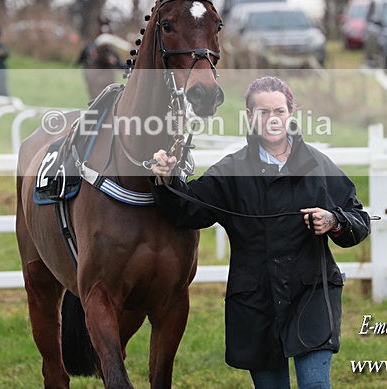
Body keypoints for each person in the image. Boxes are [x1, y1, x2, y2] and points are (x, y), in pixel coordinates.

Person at [150, 76, 370, 389]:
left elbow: (358, 218)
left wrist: (334, 221)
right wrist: (166, 180)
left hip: (312, 294)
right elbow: (187, 209)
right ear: (250, 117)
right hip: (256, 303)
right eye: (263, 112)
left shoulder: (317, 165)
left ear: (291, 113)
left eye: (279, 111)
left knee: (315, 385)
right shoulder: (231, 171)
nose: (272, 120)